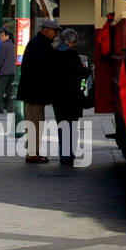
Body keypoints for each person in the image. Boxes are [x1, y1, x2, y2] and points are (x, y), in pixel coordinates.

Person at [16, 19, 59, 164]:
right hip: (35, 93)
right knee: (35, 123)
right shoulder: (41, 45)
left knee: (33, 123)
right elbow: (44, 68)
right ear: (46, 30)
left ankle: (32, 152)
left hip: (32, 92)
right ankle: (32, 154)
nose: (55, 34)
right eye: (54, 31)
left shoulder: (37, 43)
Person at [53, 29, 86, 166]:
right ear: (70, 41)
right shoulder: (72, 55)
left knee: (62, 125)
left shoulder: (54, 53)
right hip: (72, 96)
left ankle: (64, 155)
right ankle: (69, 155)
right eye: (74, 42)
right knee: (72, 126)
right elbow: (80, 73)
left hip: (58, 97)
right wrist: (87, 70)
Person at [0, 27, 16, 124]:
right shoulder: (13, 45)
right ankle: (10, 108)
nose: (0, 37)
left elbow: (0, 58)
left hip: (4, 72)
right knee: (10, 91)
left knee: (0, 91)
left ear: (7, 36)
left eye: (2, 35)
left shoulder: (3, 46)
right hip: (12, 72)